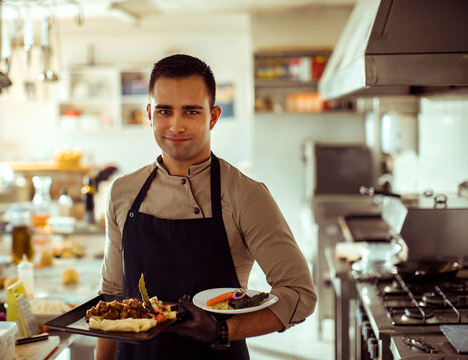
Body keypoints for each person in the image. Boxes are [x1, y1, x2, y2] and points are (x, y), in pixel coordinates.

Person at [96, 54, 316, 359]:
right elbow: (112, 292)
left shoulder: (245, 194)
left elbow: (299, 294)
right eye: (164, 111)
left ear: (212, 117)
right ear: (150, 114)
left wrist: (223, 330)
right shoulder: (122, 192)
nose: (176, 125)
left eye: (190, 111)